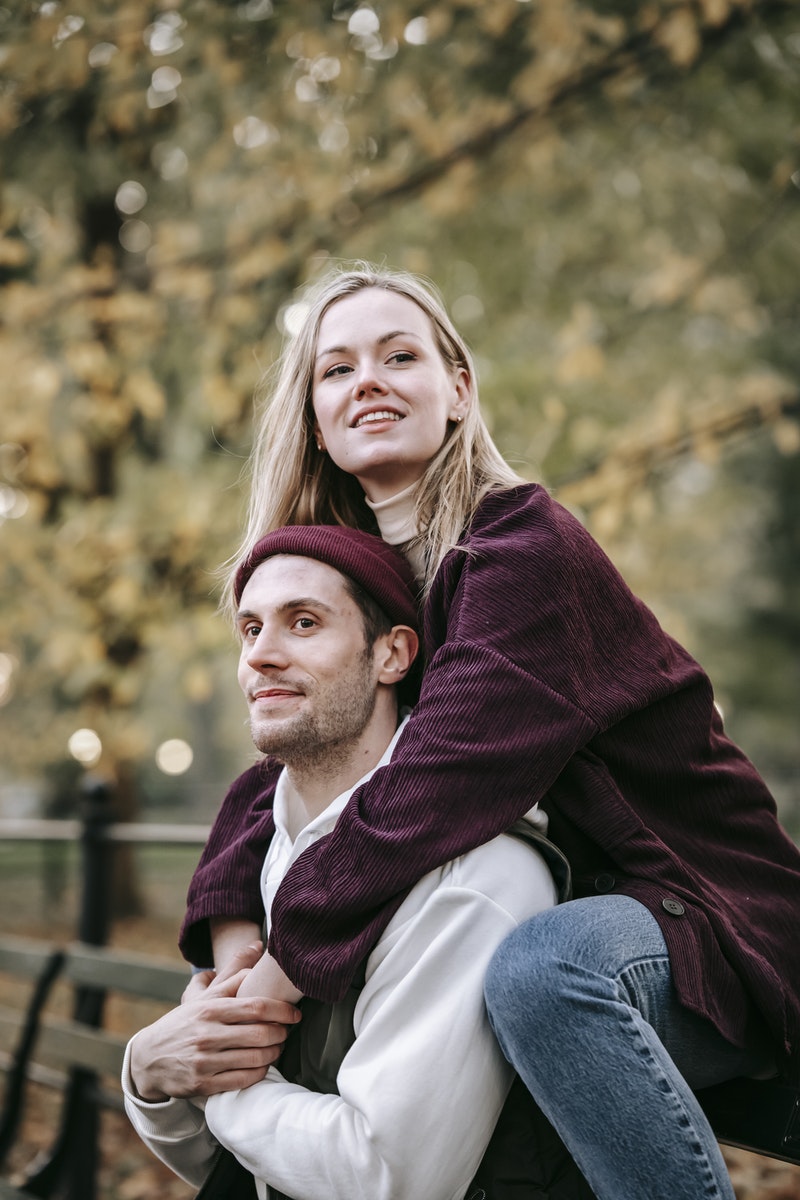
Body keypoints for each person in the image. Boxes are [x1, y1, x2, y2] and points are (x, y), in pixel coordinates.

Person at [179, 263, 800, 1200]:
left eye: (400, 356)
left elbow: (440, 778)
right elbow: (271, 768)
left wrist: (284, 971)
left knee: (542, 974)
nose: (370, 381)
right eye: (337, 369)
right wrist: (235, 954)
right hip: (590, 908)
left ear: (458, 390)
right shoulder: (371, 584)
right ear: (314, 419)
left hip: (705, 920)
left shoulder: (523, 551)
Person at [123, 525, 560, 1200]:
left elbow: (386, 1177)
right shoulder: (257, 852)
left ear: (392, 655)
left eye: (303, 622)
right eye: (248, 630)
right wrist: (147, 1071)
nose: (262, 655)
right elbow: (224, 1167)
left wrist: (213, 1083)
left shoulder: (474, 878)